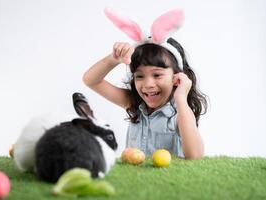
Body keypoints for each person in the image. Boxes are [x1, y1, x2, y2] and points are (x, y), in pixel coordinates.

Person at [82, 9, 208, 159]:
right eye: (139, 76)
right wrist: (113, 59)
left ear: (177, 77)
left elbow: (195, 155)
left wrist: (181, 98)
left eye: (157, 75)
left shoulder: (181, 112)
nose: (148, 84)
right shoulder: (134, 104)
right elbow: (91, 80)